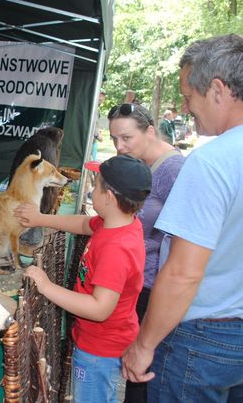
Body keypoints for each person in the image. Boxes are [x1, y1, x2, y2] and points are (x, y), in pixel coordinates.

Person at [121, 34, 243, 402]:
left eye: (190, 97)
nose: (187, 107)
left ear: (218, 90)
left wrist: (144, 344)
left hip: (202, 337)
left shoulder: (211, 162)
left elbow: (183, 272)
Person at [15, 155, 152, 402]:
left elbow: (100, 308)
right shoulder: (117, 223)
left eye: (95, 185)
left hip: (98, 351)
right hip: (102, 341)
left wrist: (46, 286)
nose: (91, 189)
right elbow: (82, 224)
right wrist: (41, 219)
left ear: (109, 198)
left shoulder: (116, 248)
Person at [107, 102, 185, 402]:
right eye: (114, 139)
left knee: (143, 376)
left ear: (150, 131)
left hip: (154, 289)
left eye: (126, 138)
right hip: (138, 283)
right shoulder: (140, 165)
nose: (118, 146)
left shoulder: (174, 171)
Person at [91, 90, 106, 161]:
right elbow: (92, 124)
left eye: (102, 98)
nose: (101, 100)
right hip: (91, 141)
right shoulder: (93, 109)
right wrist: (98, 135)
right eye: (100, 98)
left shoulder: (96, 109)